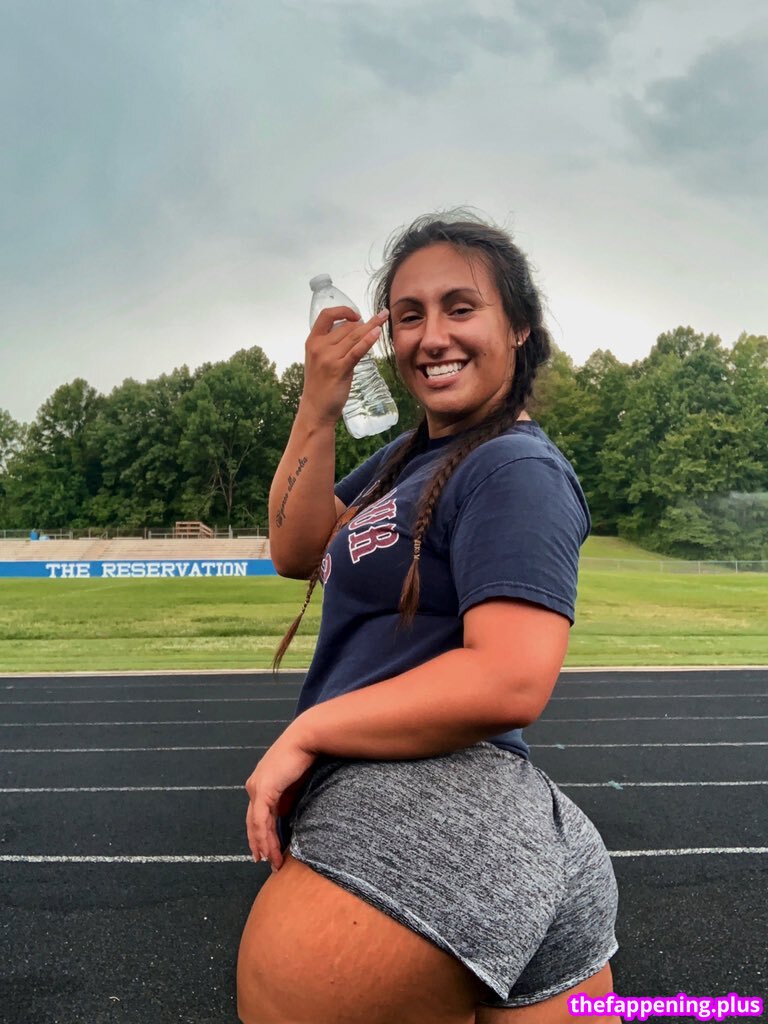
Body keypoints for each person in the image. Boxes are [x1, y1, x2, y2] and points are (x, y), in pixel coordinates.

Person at [237, 211, 620, 1024]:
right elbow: (294, 548)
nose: (432, 335)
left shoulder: (515, 466)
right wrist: (317, 406)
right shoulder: (410, 457)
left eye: (460, 308)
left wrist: (309, 730)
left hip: (422, 826)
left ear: (518, 326)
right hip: (507, 831)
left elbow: (509, 679)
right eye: (408, 315)